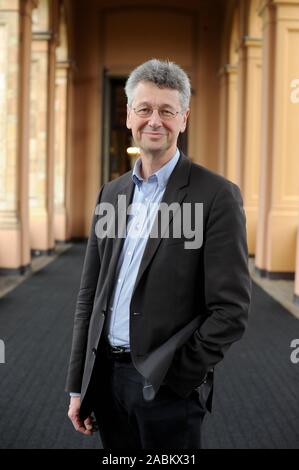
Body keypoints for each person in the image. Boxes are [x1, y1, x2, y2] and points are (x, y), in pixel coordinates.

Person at [66, 59, 251, 449]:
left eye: (166, 111)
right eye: (145, 109)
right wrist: (78, 385)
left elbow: (231, 311)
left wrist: (178, 376)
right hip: (106, 379)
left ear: (183, 118)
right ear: (129, 114)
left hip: (167, 388)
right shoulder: (110, 194)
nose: (155, 120)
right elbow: (89, 298)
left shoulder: (216, 196)